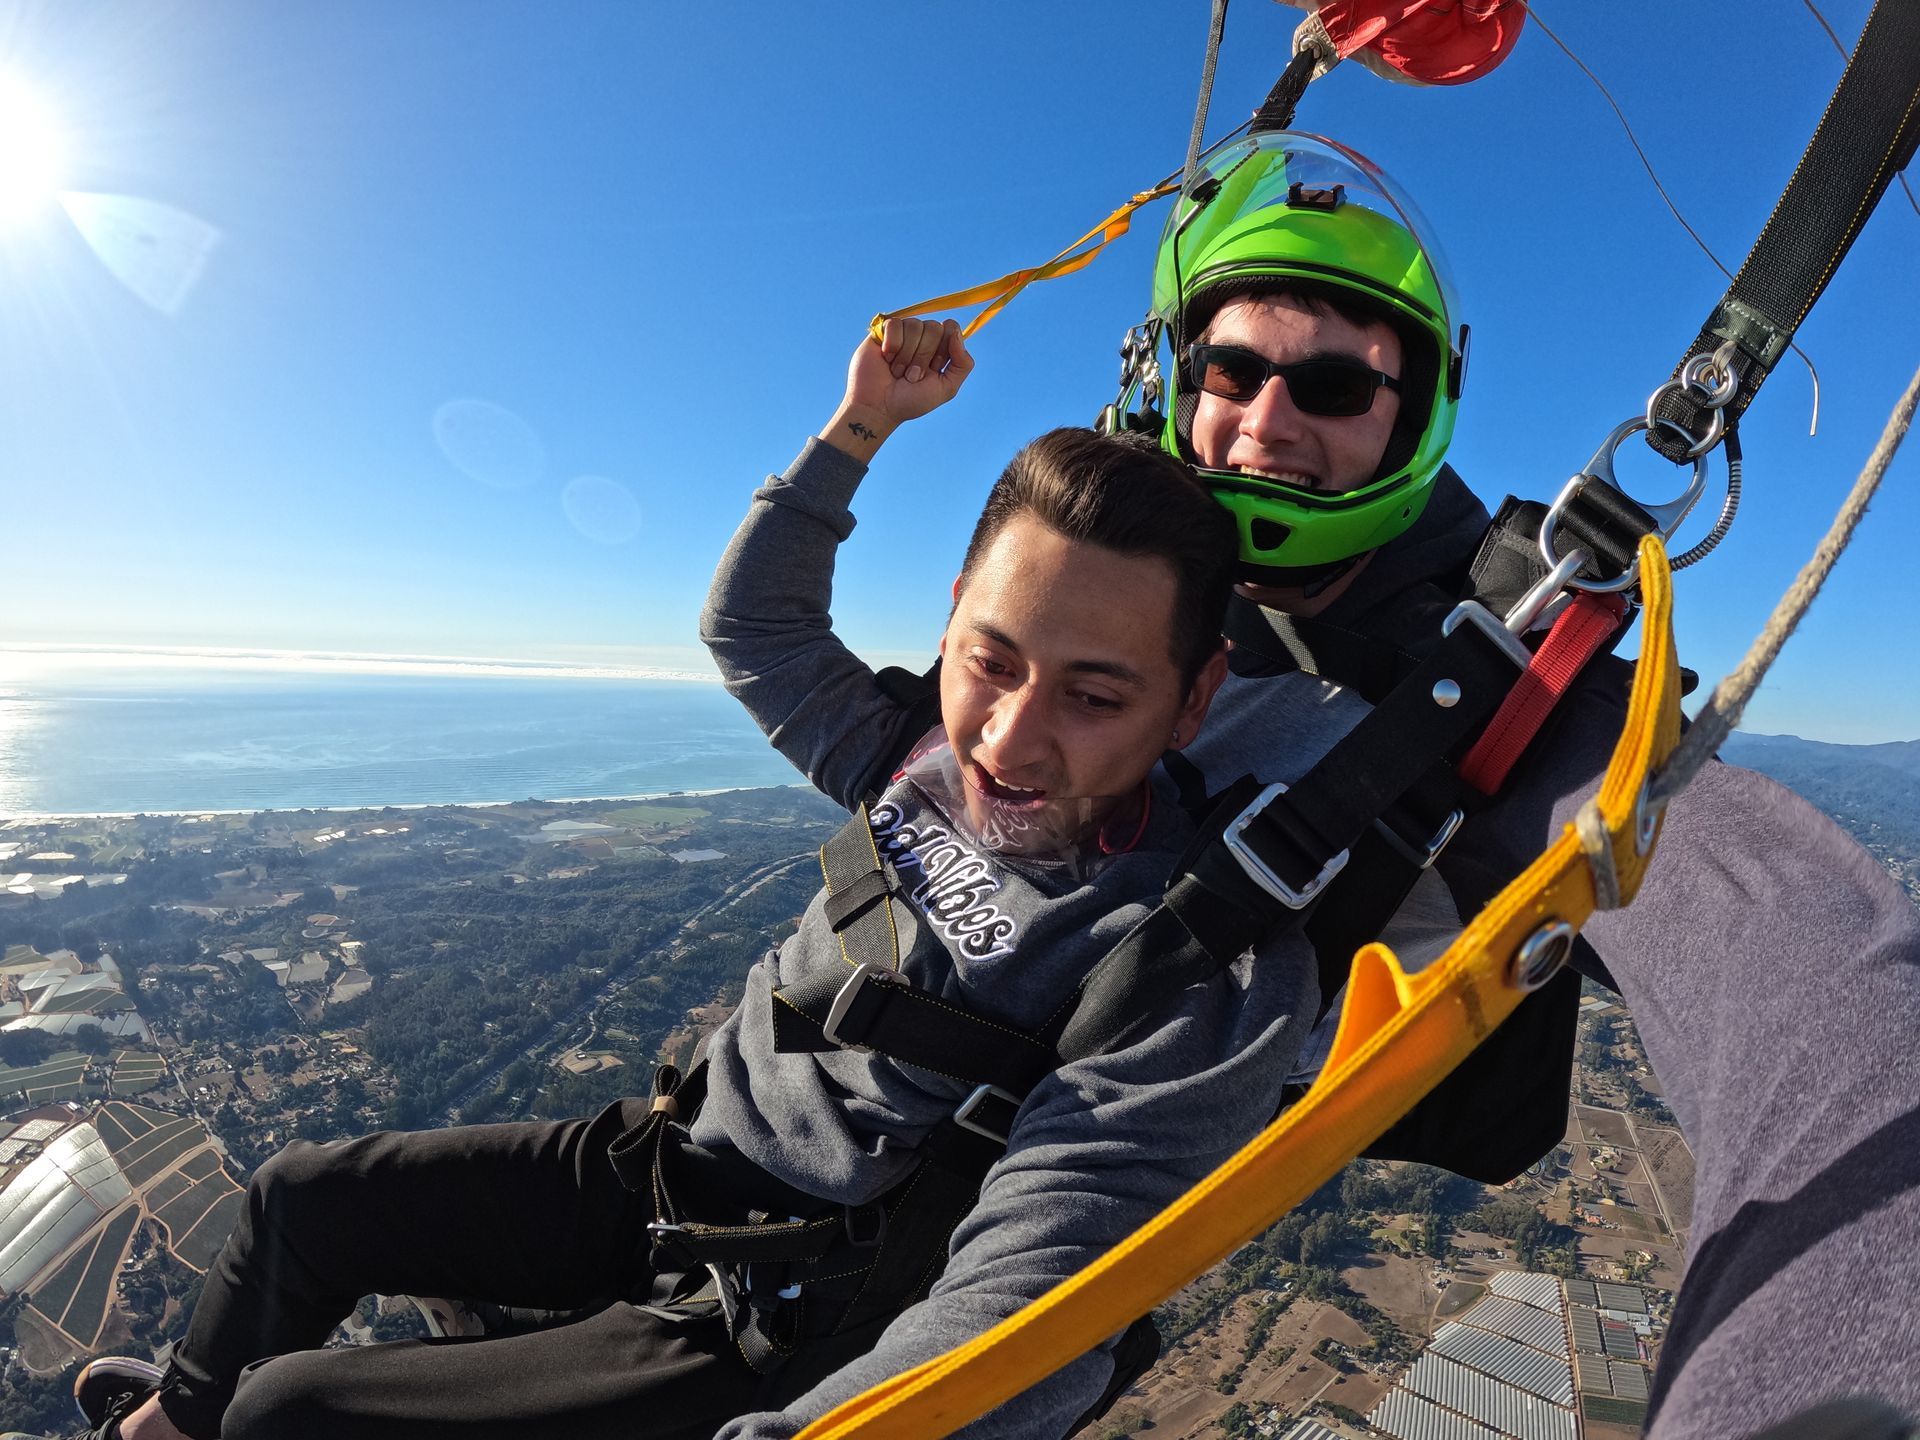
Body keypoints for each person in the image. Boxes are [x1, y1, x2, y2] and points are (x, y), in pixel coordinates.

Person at [69, 324, 1342, 1440]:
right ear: (950, 617)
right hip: (665, 1163)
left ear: (1193, 704)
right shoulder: (913, 759)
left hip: (776, 1308)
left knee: (296, 1414)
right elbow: (755, 628)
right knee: (302, 1203)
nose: (1008, 740)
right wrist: (861, 427)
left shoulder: (1193, 956)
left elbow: (1042, 1284)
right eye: (989, 660)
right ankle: (168, 1426)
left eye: (1095, 694)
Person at [1124, 130, 1920, 1436]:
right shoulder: (1100, 575)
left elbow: (1791, 960)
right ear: (1178, 384)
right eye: (1231, 369)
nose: (1267, 420)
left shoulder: (1502, 678)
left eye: (1332, 384)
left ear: (1413, 409)